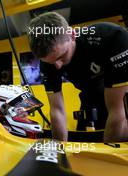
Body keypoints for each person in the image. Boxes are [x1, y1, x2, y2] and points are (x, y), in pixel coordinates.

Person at [27, 12, 128, 142]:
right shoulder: (48, 62)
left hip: (118, 88)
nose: (57, 66)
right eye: (50, 62)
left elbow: (117, 112)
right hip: (89, 94)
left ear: (72, 35)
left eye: (61, 57)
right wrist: (58, 153)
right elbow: (57, 110)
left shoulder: (113, 38)